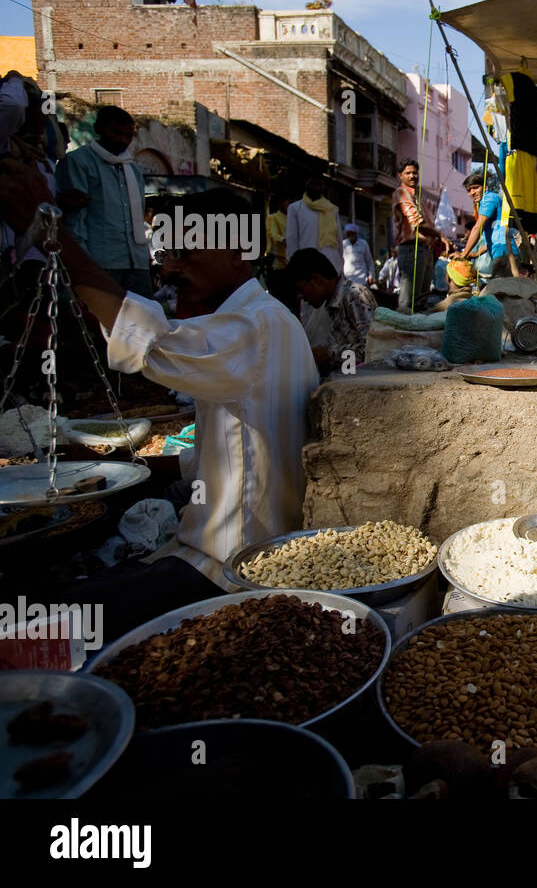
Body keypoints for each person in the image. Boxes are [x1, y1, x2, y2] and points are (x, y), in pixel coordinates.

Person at [0, 175, 319, 642]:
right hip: (215, 551)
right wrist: (121, 466)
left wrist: (54, 238)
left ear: (238, 254)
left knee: (30, 619)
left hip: (227, 569)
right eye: (167, 253)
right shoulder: (260, 321)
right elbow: (235, 450)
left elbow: (150, 342)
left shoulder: (255, 326)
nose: (170, 268)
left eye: (186, 252)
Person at [53, 105, 152, 296]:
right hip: (100, 261)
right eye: (116, 132)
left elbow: (138, 218)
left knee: (143, 320)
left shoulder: (133, 169)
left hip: (137, 261)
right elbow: (75, 221)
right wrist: (82, 261)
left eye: (128, 135)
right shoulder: (78, 162)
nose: (123, 140)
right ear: (98, 129)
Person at [287, 247, 375, 375]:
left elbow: (371, 352)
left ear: (317, 279)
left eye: (301, 289)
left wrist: (328, 354)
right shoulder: (332, 304)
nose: (301, 296)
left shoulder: (354, 295)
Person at [391, 159, 440, 312]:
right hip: (411, 249)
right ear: (400, 176)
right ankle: (402, 334)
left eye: (414, 172)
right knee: (408, 302)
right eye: (408, 173)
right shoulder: (401, 193)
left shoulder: (418, 197)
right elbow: (418, 223)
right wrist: (439, 236)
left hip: (425, 250)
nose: (412, 176)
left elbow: (428, 225)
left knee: (422, 302)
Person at [286, 176, 343, 274]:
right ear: (307, 185)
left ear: (324, 187)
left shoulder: (332, 209)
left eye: (319, 184)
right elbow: (291, 239)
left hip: (332, 264)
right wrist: (294, 265)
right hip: (306, 265)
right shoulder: (295, 208)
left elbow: (338, 239)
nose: (316, 187)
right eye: (313, 183)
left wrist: (341, 263)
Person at [341, 222, 375, 288]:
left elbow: (369, 261)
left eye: (352, 233)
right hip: (347, 280)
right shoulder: (343, 244)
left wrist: (371, 276)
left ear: (356, 233)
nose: (350, 236)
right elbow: (340, 261)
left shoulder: (364, 244)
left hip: (361, 280)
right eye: (348, 234)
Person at [265, 194, 290, 270]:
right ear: (280, 204)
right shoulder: (273, 217)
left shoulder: (293, 218)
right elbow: (273, 234)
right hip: (277, 260)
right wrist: (283, 240)